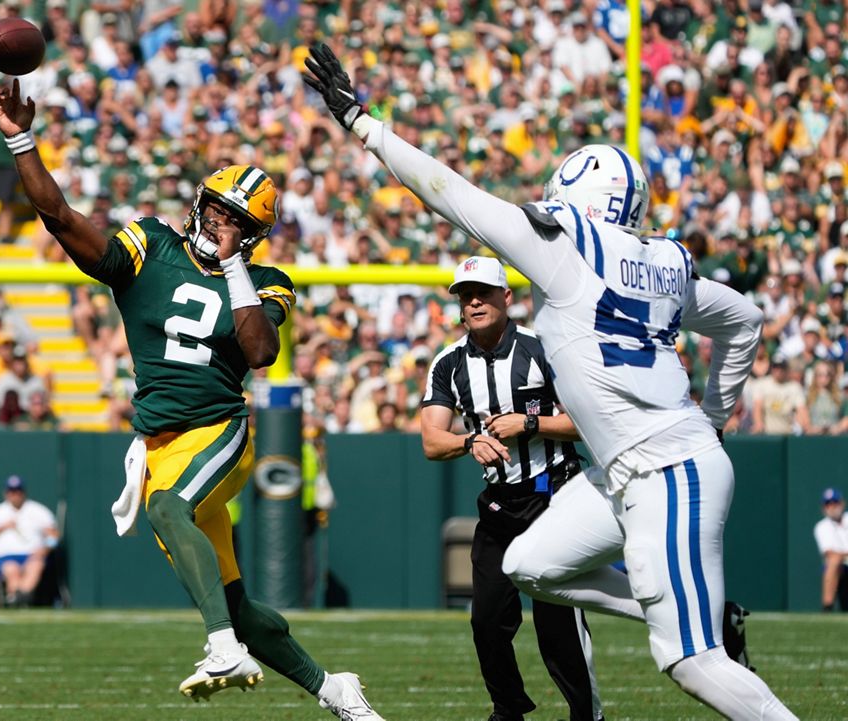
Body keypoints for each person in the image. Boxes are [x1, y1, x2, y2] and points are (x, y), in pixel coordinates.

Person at [304, 44, 794, 719]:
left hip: (668, 468)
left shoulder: (569, 249)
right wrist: (715, 411)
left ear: (576, 200)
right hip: (629, 469)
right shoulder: (662, 261)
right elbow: (745, 320)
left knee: (691, 662)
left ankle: (699, 629)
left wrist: (362, 122)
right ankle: (686, 609)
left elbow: (452, 193)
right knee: (528, 564)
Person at [0, 79, 383, 719]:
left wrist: (232, 270)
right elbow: (62, 220)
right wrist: (20, 139)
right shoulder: (150, 244)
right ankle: (334, 688)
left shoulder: (265, 281)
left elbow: (259, 353)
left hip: (219, 430)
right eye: (217, 209)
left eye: (237, 220)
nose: (221, 224)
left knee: (170, 510)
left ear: (252, 234)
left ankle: (223, 649)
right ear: (199, 204)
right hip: (157, 443)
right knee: (234, 604)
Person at [421, 256, 600, 721]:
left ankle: (586, 714)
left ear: (506, 297)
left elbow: (590, 421)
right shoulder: (448, 363)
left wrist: (532, 422)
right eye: (465, 295)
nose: (473, 301)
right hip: (501, 505)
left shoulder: (544, 349)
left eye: (482, 292)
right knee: (487, 620)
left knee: (558, 622)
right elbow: (431, 440)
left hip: (556, 496)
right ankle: (508, 710)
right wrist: (468, 441)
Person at [0, 475, 60, 608]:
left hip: (33, 555)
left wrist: (43, 550)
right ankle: (17, 598)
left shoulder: (38, 511)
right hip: (5, 556)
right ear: (6, 493)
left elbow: (54, 537)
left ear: (24, 492)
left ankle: (21, 598)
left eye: (18, 490)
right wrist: (2, 528)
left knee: (35, 566)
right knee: (12, 570)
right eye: (11, 491)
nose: (15, 494)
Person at [815, 487, 848, 612]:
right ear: (824, 507)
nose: (832, 507)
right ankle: (827, 607)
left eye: (835, 502)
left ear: (842, 503)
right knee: (833, 561)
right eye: (828, 504)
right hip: (839, 566)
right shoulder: (821, 526)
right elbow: (829, 553)